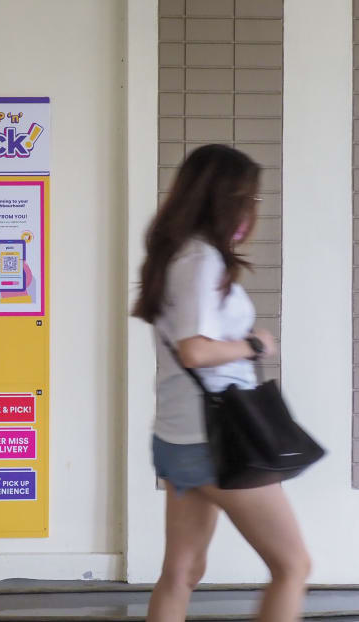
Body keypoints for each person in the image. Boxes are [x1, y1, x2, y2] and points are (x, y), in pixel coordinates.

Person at [132, 144, 310, 622]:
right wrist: (253, 344)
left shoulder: (177, 256)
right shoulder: (199, 260)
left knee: (182, 572)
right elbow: (195, 350)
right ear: (226, 198)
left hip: (180, 436)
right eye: (249, 198)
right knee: (293, 566)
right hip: (214, 441)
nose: (252, 210)